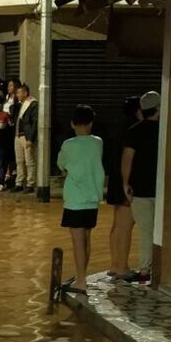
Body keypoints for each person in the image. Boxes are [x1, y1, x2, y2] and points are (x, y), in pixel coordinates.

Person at [112, 91, 162, 283]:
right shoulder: (167, 129)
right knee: (160, 231)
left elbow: (127, 158)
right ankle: (160, 269)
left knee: (146, 230)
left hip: (139, 190)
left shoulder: (134, 131)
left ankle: (144, 270)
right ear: (158, 109)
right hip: (162, 190)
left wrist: (126, 183)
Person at [57, 104, 107, 285]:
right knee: (86, 238)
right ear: (91, 123)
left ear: (72, 124)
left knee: (77, 241)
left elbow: (61, 165)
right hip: (92, 199)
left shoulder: (68, 145)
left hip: (75, 200)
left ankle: (81, 280)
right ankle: (82, 275)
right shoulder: (98, 142)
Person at [12, 81, 39, 193]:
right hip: (18, 136)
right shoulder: (20, 104)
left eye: (19, 93)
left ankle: (30, 183)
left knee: (29, 161)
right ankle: (19, 182)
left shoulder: (33, 104)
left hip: (26, 136)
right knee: (19, 161)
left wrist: (30, 138)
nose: (17, 95)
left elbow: (34, 123)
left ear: (25, 93)